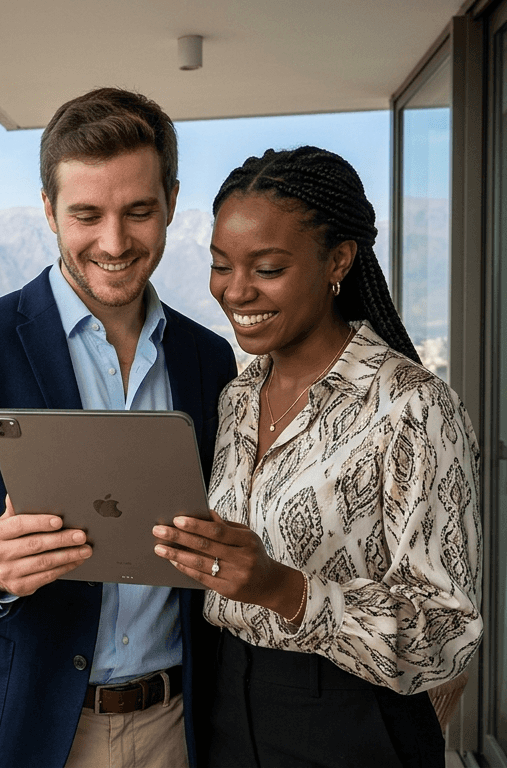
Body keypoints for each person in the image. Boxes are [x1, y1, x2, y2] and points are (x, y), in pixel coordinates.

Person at [0, 87, 237, 768]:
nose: (114, 242)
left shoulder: (209, 358)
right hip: (16, 731)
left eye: (139, 211)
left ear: (171, 201)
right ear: (49, 210)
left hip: (176, 729)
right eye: (86, 215)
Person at [152, 146, 482, 767]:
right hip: (225, 707)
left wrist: (285, 589)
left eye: (267, 268)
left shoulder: (410, 406)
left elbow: (446, 633)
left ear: (338, 260)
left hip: (355, 721)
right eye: (220, 265)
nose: (236, 290)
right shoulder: (237, 397)